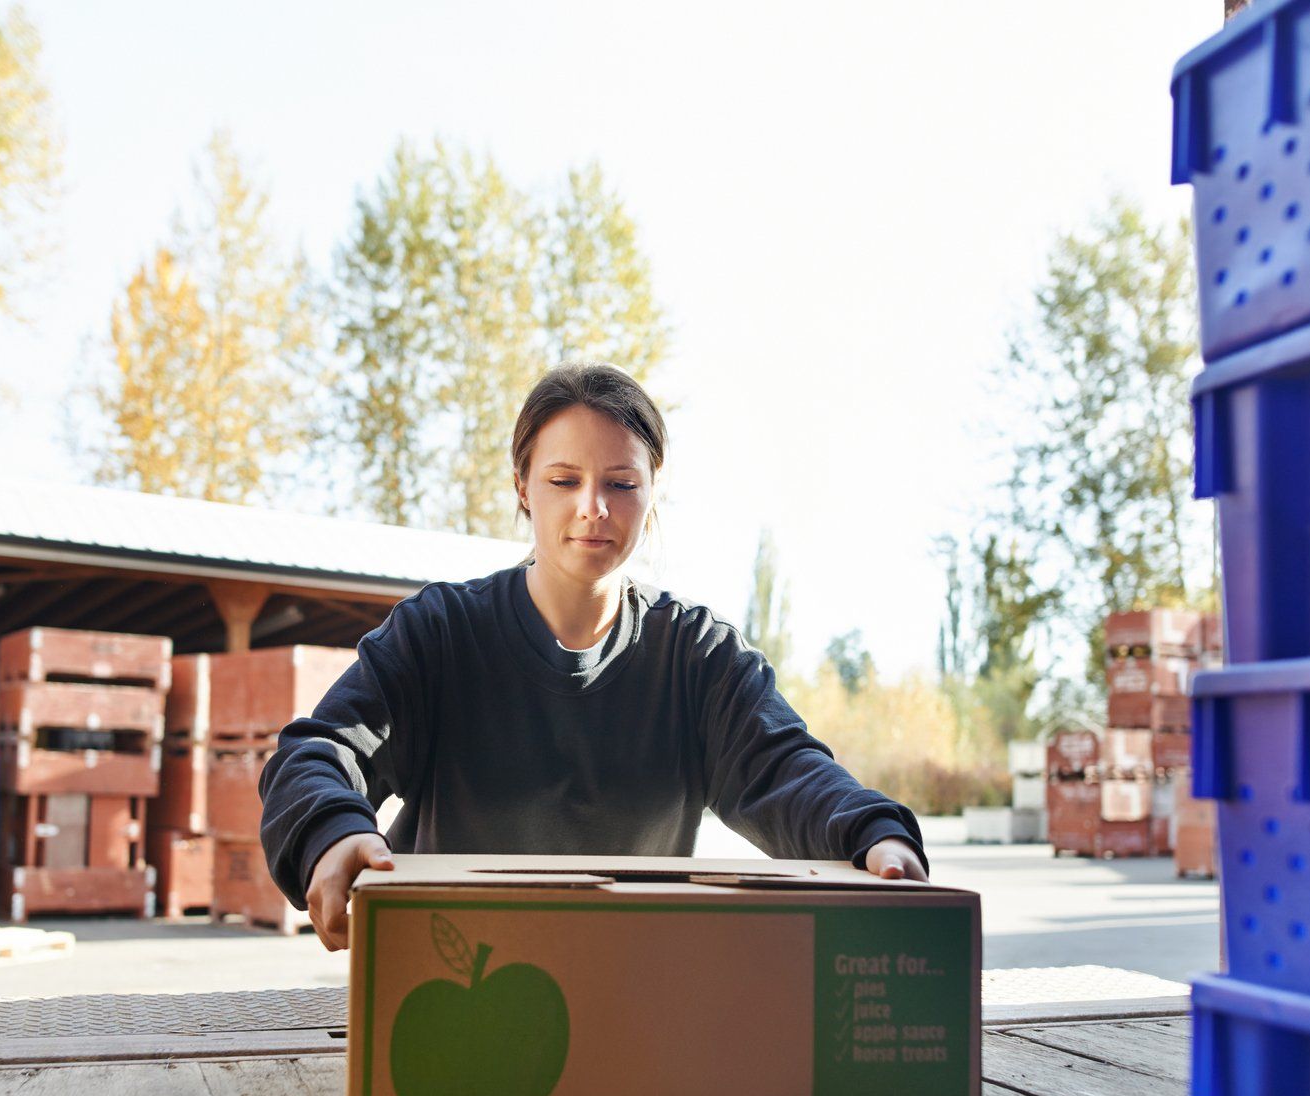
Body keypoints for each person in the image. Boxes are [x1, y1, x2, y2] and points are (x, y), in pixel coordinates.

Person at [258, 362, 931, 949]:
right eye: (562, 480)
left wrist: (873, 834)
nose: (593, 508)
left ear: (650, 489)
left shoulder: (698, 659)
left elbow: (785, 770)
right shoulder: (439, 635)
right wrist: (331, 832)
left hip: (630, 989)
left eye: (619, 483)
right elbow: (314, 754)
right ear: (521, 486)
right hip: (451, 984)